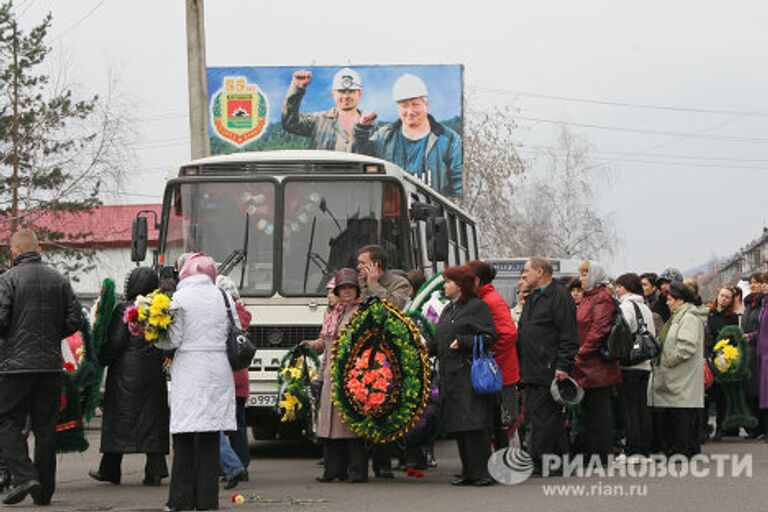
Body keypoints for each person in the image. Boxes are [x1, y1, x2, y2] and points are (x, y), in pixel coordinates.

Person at [0, 229, 82, 505]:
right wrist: (50, 335)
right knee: (46, 428)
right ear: (39, 248)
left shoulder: (7, 280)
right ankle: (44, 490)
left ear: (14, 251)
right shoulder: (58, 279)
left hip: (15, 366)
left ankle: (23, 476)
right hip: (49, 365)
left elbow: (1, 321)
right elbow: (75, 320)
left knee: (6, 420)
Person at [157, 253, 238, 512]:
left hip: (190, 369)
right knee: (210, 438)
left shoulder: (180, 298)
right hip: (218, 369)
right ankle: (207, 501)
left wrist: (155, 337)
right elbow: (235, 329)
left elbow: (172, 340)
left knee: (183, 437)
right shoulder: (223, 296)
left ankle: (180, 500)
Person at [89, 267, 170, 486]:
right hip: (154, 373)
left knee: (119, 420)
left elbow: (116, 343)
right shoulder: (160, 308)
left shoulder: (123, 309)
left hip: (125, 375)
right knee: (153, 420)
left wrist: (101, 356)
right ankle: (155, 471)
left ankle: (111, 469)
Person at [431, 265, 497, 486]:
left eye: (448, 282)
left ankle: (483, 472)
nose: (445, 285)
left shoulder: (477, 306)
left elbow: (490, 336)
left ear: (460, 285)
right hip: (450, 375)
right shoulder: (448, 310)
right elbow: (442, 340)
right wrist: (427, 347)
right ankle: (469, 471)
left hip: (469, 372)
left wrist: (464, 341)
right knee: (459, 424)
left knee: (474, 423)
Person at [516, 256, 580, 475]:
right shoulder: (533, 297)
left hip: (549, 367)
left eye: (526, 271)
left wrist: (563, 364)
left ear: (540, 272)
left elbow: (568, 335)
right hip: (531, 368)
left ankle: (542, 461)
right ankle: (559, 461)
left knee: (545, 417)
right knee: (538, 415)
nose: (523, 275)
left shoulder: (559, 296)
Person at [303, 268, 367, 483]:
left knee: (351, 426)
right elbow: (325, 345)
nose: (347, 292)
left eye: (350, 287)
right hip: (331, 375)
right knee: (329, 426)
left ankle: (356, 471)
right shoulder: (334, 313)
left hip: (352, 376)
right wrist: (310, 347)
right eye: (343, 288)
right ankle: (332, 471)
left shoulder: (361, 312)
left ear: (357, 289)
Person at [353, 73, 462, 196]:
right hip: (393, 212)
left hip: (434, 213)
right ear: (397, 107)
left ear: (426, 105)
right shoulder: (383, 138)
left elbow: (458, 187)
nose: (410, 112)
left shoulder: (450, 141)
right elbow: (360, 164)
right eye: (404, 106)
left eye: (416, 104)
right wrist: (361, 130)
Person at [648, 281, 706, 458]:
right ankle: (683, 449)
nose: (667, 303)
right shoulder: (681, 316)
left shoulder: (688, 318)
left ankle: (683, 450)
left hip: (681, 375)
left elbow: (686, 347)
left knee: (681, 416)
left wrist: (669, 361)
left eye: (671, 299)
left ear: (681, 300)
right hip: (677, 376)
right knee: (678, 414)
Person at [467, 260, 519, 451]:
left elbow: (508, 334)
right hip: (496, 371)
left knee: (501, 421)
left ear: (477, 280)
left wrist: (488, 358)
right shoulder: (484, 298)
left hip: (498, 372)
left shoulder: (491, 301)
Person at [574, 261, 622, 466]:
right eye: (581, 274)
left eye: (585, 274)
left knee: (599, 413)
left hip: (596, 364)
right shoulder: (588, 298)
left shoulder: (602, 298)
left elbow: (599, 329)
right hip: (585, 364)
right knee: (588, 412)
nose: (582, 278)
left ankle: (602, 455)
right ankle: (592, 453)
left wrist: (582, 352)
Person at [216, 275, 253, 487]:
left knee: (221, 424)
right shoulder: (242, 314)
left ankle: (230, 465)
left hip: (226, 379)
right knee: (239, 425)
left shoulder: (222, 314)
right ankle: (243, 464)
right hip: (241, 379)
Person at [614, 273, 655, 463]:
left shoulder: (626, 306)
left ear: (626, 287)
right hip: (645, 363)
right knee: (641, 407)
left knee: (629, 408)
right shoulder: (645, 306)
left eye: (619, 286)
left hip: (630, 363)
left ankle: (633, 449)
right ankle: (644, 449)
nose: (616, 289)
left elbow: (622, 331)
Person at [281, 67, 364, 151]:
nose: (346, 96)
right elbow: (290, 123)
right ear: (333, 93)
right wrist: (297, 88)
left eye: (351, 91)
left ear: (359, 93)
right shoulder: (319, 121)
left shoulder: (371, 127)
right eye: (341, 91)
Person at [706, 286, 739, 441]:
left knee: (721, 396)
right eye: (722, 295)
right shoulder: (709, 313)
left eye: (727, 297)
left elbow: (733, 339)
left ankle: (720, 428)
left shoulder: (732, 317)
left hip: (723, 357)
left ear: (731, 300)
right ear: (717, 296)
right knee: (707, 394)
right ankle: (704, 428)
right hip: (708, 356)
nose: (724, 299)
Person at [741, 272, 765, 438]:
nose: (755, 285)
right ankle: (756, 427)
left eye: (758, 282)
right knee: (752, 391)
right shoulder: (750, 303)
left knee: (761, 392)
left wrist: (753, 336)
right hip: (751, 351)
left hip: (761, 351)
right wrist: (748, 336)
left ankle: (762, 427)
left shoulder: (763, 304)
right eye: (753, 282)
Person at [357, 244, 410, 310]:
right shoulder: (360, 282)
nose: (358, 267)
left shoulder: (400, 283)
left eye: (363, 263)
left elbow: (395, 307)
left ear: (377, 264)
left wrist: (374, 285)